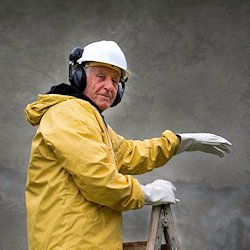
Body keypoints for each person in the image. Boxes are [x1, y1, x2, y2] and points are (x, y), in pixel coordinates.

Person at [25, 40, 232, 249]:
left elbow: (128, 153)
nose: (109, 87)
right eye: (101, 77)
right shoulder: (69, 114)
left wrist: (179, 143)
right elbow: (98, 180)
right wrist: (144, 193)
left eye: (115, 81)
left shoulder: (88, 118)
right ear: (78, 77)